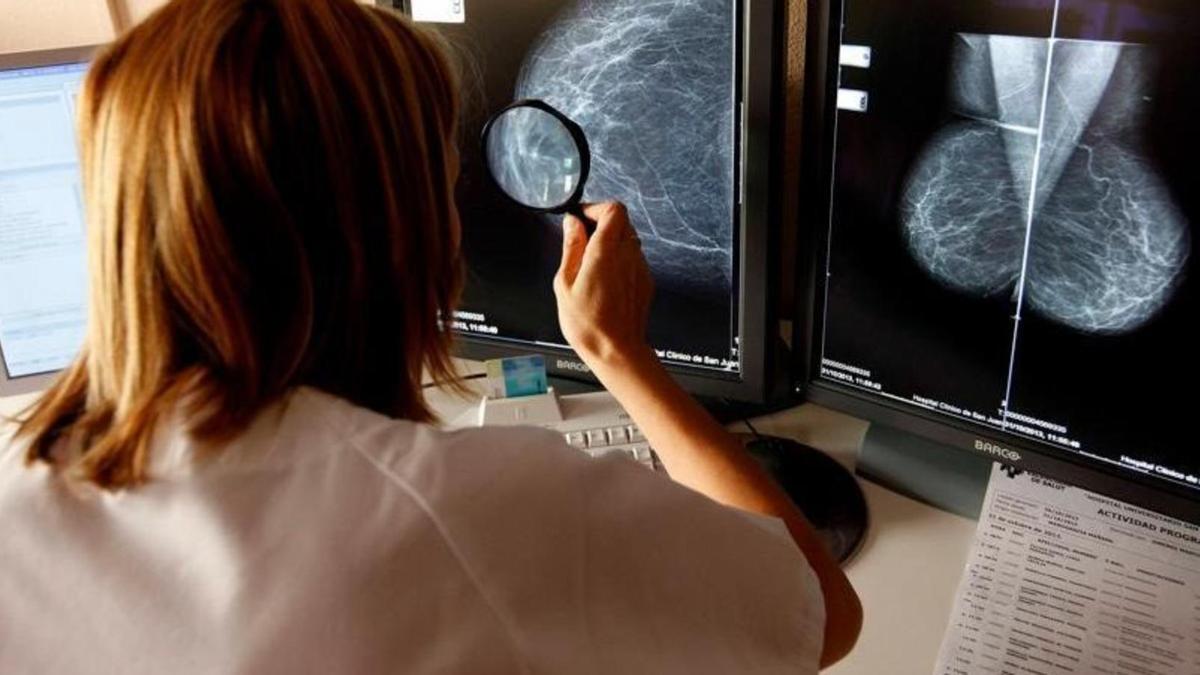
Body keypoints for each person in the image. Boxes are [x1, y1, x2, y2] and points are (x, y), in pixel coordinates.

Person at [0, 0, 861, 672]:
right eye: (442, 178)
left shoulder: (17, 508)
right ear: (400, 229)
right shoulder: (478, 511)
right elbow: (815, 613)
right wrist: (620, 356)